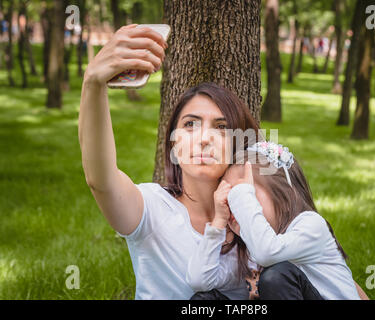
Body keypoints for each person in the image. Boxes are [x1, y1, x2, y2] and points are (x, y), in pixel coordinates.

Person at [78, 24, 261, 299]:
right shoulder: (152, 208)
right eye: (190, 124)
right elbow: (100, 180)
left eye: (221, 128)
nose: (204, 139)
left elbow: (324, 270)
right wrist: (93, 81)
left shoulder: (256, 214)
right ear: (174, 143)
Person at [186, 142, 368, 300]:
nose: (237, 205)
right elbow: (199, 281)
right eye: (229, 197)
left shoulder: (311, 225)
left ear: (284, 193)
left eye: (246, 192)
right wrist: (218, 222)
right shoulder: (249, 249)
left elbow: (268, 252)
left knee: (277, 276)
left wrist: (242, 195)